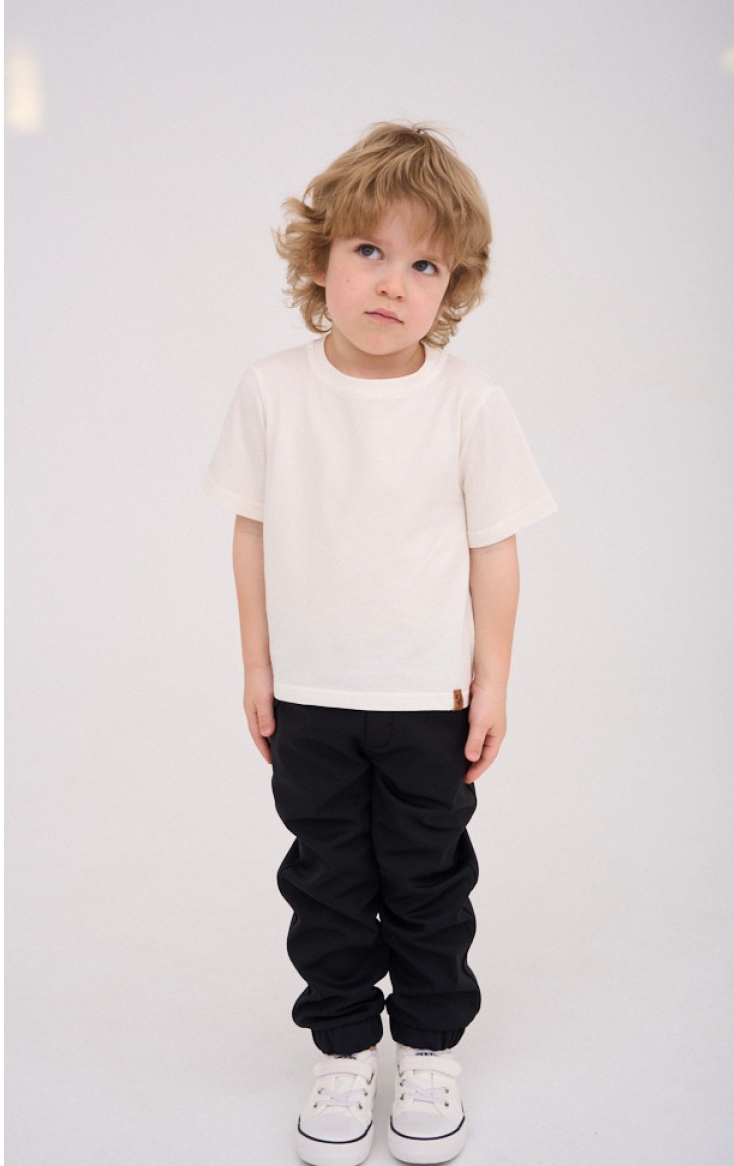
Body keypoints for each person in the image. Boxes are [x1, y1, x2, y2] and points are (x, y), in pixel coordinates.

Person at [204, 122, 557, 1165]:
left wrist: (493, 682)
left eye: (424, 265)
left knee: (427, 880)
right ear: (320, 259)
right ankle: (344, 1049)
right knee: (326, 881)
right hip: (312, 700)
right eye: (369, 251)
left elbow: (495, 549)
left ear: (453, 286)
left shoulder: (469, 401)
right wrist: (257, 667)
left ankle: (431, 1049)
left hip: (426, 702)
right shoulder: (273, 390)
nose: (393, 283)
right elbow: (251, 533)